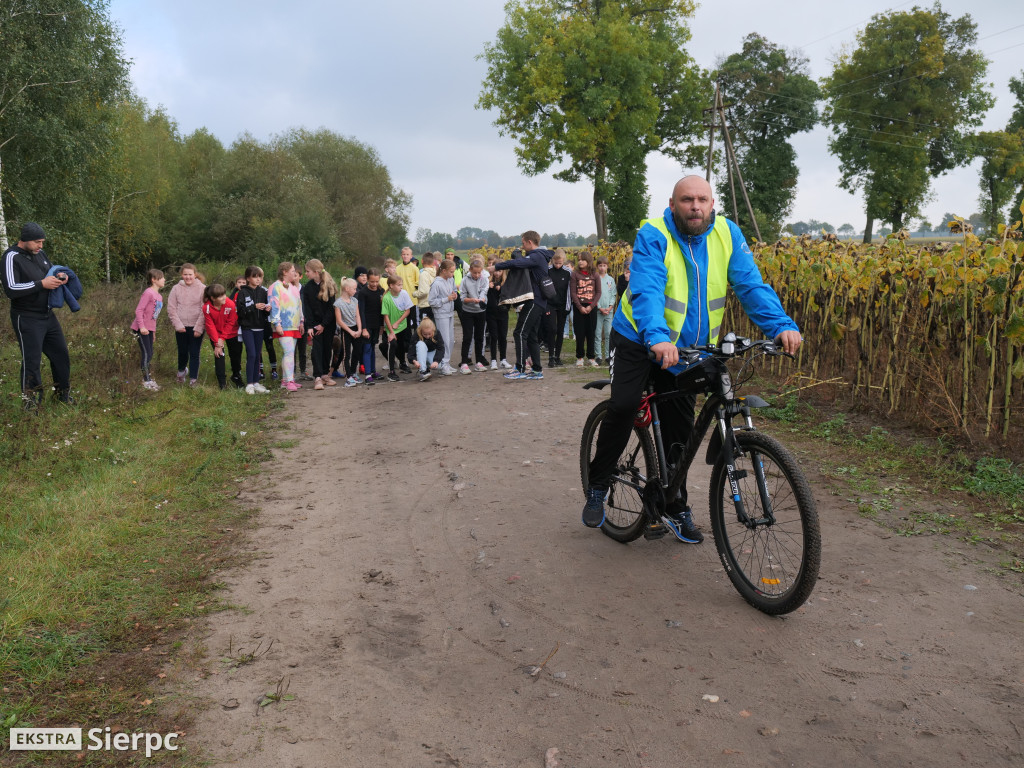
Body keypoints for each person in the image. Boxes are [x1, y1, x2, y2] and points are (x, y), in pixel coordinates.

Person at [582, 176, 802, 542]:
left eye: (702, 199)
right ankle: (598, 484)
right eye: (687, 200)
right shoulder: (654, 234)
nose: (695, 206)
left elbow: (750, 285)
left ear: (712, 204)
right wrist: (657, 337)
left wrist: (780, 326)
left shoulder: (727, 234)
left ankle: (675, 504)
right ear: (672, 204)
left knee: (681, 429)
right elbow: (647, 288)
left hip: (689, 348)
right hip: (640, 337)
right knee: (623, 405)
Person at [494, 231, 553, 380]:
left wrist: (497, 267)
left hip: (536, 301)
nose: (522, 246)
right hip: (537, 301)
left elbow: (517, 263)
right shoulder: (539, 256)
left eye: (523, 243)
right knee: (532, 335)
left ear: (530, 243)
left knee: (519, 332)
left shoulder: (536, 256)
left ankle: (520, 368)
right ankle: (537, 370)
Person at [166, 263, 206, 386]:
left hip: (196, 327)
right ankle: (181, 372)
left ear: (195, 274)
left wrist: (199, 328)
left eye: (190, 274)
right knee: (183, 352)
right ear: (181, 275)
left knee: (194, 353)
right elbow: (171, 308)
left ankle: (193, 379)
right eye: (185, 274)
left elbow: (204, 309)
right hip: (181, 327)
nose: (188, 277)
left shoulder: (203, 288)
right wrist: (178, 325)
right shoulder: (176, 288)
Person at [302, 259, 338, 390]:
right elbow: (307, 308)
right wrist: (311, 326)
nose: (306, 274)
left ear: (316, 272)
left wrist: (323, 324)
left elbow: (331, 308)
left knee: (327, 348)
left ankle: (324, 374)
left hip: (328, 324)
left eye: (308, 271)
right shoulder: (308, 288)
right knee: (317, 349)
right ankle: (317, 376)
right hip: (315, 325)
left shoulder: (329, 285)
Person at [269, 261, 304, 392]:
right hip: (283, 325)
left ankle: (286, 380)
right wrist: (276, 324)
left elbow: (299, 305)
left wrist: (301, 321)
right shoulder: (275, 287)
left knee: (290, 353)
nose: (294, 272)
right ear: (284, 272)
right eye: (292, 270)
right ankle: (289, 380)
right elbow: (274, 306)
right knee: (288, 352)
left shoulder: (294, 287)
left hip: (294, 325)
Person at [236, 266, 271, 394]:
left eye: (260, 277)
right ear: (248, 278)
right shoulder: (242, 292)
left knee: (257, 355)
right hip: (247, 328)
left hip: (260, 327)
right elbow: (240, 312)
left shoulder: (263, 292)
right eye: (255, 276)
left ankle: (256, 383)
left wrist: (268, 310)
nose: (258, 279)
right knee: (251, 354)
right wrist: (253, 307)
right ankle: (249, 384)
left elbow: (265, 313)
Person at [130, 268, 166, 391]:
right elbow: (139, 310)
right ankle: (146, 381)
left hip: (149, 329)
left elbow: (154, 316)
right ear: (154, 280)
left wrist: (153, 332)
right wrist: (142, 327)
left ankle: (149, 378)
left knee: (150, 353)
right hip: (141, 328)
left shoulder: (159, 296)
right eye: (161, 278)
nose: (164, 279)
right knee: (146, 353)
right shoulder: (148, 293)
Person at [202, 284, 240, 391]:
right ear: (213, 298)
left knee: (235, 355)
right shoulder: (207, 308)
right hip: (216, 335)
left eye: (224, 294)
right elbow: (210, 326)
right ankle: (222, 383)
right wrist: (217, 343)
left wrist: (222, 339)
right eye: (220, 296)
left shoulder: (230, 304)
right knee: (219, 356)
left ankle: (236, 376)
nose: (224, 297)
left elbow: (231, 322)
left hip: (231, 332)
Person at [457, 256, 489, 373]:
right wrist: (472, 300)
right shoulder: (465, 280)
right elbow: (462, 298)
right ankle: (464, 363)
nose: (476, 275)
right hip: (468, 312)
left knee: (480, 337)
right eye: (474, 273)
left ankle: (479, 362)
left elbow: (484, 292)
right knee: (467, 337)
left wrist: (480, 299)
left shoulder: (485, 279)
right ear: (470, 270)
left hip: (480, 312)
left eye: (479, 273)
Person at [570, 251, 601, 367]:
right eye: (579, 260)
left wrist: (591, 306)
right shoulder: (575, 274)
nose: (580, 262)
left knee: (591, 333)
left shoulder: (595, 275)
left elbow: (598, 292)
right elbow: (573, 292)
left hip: (591, 308)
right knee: (580, 333)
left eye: (582, 259)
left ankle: (591, 357)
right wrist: (580, 307)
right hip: (579, 307)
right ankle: (580, 357)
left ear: (588, 261)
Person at [428, 258, 458, 375]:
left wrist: (454, 295)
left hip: (450, 312)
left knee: (450, 340)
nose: (453, 274)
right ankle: (443, 364)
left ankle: (447, 363)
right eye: (451, 271)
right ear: (444, 271)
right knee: (444, 340)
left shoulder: (450, 280)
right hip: (441, 314)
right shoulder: (436, 283)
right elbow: (431, 301)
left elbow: (454, 290)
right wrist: (447, 299)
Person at [543, 249, 572, 368]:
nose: (558, 265)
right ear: (552, 261)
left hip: (562, 305)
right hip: (550, 304)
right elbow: (543, 287)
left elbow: (570, 291)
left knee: (560, 331)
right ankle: (550, 356)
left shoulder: (568, 272)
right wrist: (545, 306)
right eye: (556, 263)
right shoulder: (547, 270)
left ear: (563, 261)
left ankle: (557, 356)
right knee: (552, 329)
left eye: (560, 263)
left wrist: (568, 306)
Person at [381, 275, 413, 382]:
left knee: (401, 346)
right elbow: (385, 316)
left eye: (401, 284)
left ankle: (402, 363)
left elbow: (407, 310)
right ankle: (391, 372)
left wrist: (398, 322)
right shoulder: (386, 298)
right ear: (391, 286)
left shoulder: (404, 294)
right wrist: (391, 331)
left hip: (402, 326)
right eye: (399, 285)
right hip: (390, 328)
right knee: (392, 345)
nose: (401, 287)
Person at [357, 268, 386, 384]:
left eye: (376, 281)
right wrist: (363, 328)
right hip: (367, 325)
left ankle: (373, 371)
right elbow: (361, 311)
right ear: (367, 280)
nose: (374, 284)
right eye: (372, 281)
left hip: (376, 324)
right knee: (367, 348)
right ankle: (368, 374)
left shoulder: (381, 291)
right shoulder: (363, 293)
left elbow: (382, 309)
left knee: (373, 347)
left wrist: (381, 325)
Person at [334, 277, 363, 387]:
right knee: (347, 354)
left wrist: (359, 329)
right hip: (346, 331)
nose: (356, 291)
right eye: (354, 289)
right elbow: (339, 321)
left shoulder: (355, 300)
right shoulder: (338, 303)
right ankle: (348, 377)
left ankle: (354, 373)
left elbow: (358, 316)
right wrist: (351, 332)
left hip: (356, 329)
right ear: (347, 289)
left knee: (357, 351)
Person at [485, 256, 511, 370]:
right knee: (493, 336)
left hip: (503, 313)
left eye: (500, 271)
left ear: (503, 271)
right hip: (491, 313)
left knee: (503, 337)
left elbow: (509, 296)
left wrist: (502, 289)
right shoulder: (488, 281)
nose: (497, 273)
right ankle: (493, 360)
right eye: (495, 271)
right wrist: (489, 287)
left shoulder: (506, 283)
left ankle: (503, 359)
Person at [594, 255, 617, 365]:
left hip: (609, 311)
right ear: (597, 266)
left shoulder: (611, 280)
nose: (602, 268)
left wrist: (610, 306)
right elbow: (594, 294)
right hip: (599, 311)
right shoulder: (596, 278)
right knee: (598, 333)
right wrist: (599, 307)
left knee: (608, 333)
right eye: (600, 266)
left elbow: (613, 294)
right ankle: (598, 355)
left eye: (604, 266)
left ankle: (608, 355)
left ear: (607, 267)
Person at [396, 247, 420, 339]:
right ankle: (406, 342)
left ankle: (415, 341)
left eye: (407, 254)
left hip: (412, 301)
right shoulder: (398, 268)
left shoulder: (415, 269)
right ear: (401, 255)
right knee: (404, 323)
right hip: (401, 301)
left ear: (411, 256)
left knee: (414, 322)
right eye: (404, 254)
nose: (405, 256)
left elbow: (418, 284)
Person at [414, 317, 445, 382]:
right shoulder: (416, 333)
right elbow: (411, 350)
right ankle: (423, 371)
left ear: (433, 330)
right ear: (421, 331)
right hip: (420, 353)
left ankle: (426, 367)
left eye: (429, 334)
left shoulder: (437, 333)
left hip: (431, 352)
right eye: (425, 334)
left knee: (438, 366)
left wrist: (436, 361)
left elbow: (441, 348)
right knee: (420, 344)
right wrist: (414, 360)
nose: (427, 336)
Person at [414, 253, 436, 324]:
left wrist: (414, 293)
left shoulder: (424, 274)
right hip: (434, 304)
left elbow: (424, 292)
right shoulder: (436, 272)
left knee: (425, 329)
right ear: (433, 262)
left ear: (422, 261)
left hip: (425, 305)